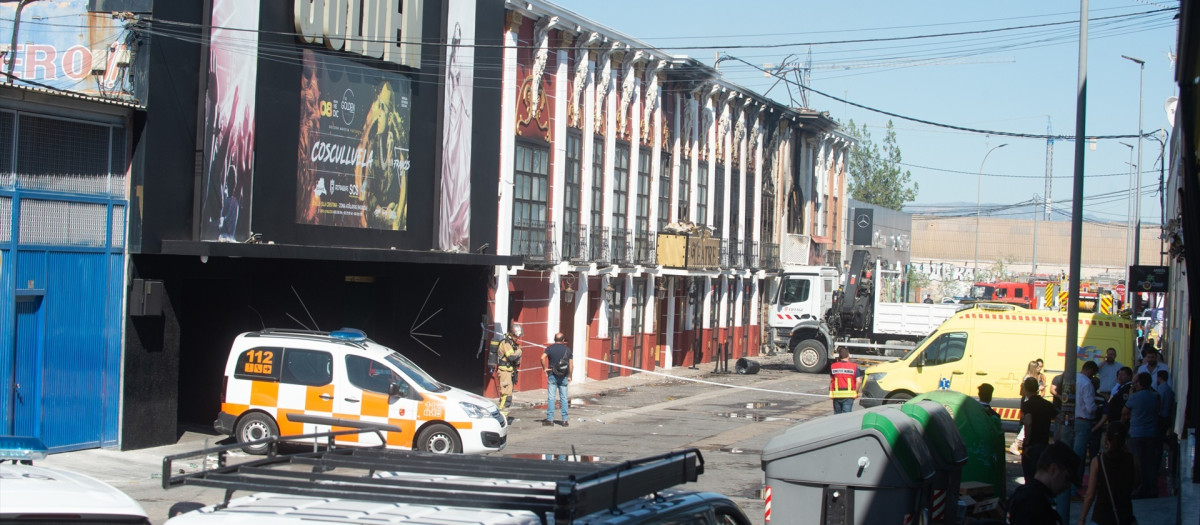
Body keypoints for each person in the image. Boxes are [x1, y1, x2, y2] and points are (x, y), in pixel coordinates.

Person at [1077, 422, 1138, 525]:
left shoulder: (1098, 461)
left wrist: (1082, 519)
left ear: (1106, 438)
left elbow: (1090, 494)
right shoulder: (1132, 459)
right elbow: (1136, 483)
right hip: (1124, 515)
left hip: (1101, 516)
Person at [1007, 442, 1081, 525]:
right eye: (1067, 478)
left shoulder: (1029, 496)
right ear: (1053, 469)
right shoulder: (1033, 502)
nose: (1067, 485)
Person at [1123, 372, 1161, 498]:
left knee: (1139, 462)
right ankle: (1152, 487)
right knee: (1150, 461)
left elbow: (1125, 411)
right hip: (1151, 432)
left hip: (1137, 433)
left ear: (1139, 383)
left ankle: (1141, 487)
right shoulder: (1155, 396)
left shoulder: (1134, 397)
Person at [1019, 376, 1059, 483]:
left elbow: (1028, 422)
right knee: (1040, 476)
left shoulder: (1027, 405)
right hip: (1044, 443)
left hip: (1032, 445)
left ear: (1026, 389)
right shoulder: (1047, 404)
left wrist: (1027, 443)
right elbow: (1059, 419)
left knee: (1029, 476)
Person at [1071, 361, 1100, 468]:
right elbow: (1090, 407)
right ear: (1090, 371)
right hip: (1084, 421)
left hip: (1072, 418)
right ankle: (1076, 481)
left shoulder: (1073, 379)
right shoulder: (1087, 384)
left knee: (1072, 449)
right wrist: (1097, 408)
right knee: (1080, 452)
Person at [1011, 360, 1043, 455]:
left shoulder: (1029, 377)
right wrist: (1038, 389)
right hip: (1028, 401)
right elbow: (1026, 391)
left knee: (1028, 424)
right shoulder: (1028, 378)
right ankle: (1016, 443)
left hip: (1028, 401)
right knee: (1026, 424)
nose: (1039, 369)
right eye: (1037, 367)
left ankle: (1017, 443)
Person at [541, 332, 573, 427]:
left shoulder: (550, 348)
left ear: (554, 339)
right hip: (563, 376)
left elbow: (542, 358)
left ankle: (550, 420)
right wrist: (570, 375)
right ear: (563, 340)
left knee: (551, 398)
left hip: (552, 375)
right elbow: (571, 365)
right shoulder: (568, 350)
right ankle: (564, 420)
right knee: (564, 398)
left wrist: (544, 368)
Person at [495, 324, 523, 422]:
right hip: (504, 372)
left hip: (509, 371)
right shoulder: (506, 343)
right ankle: (501, 417)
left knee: (508, 395)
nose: (518, 338)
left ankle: (504, 416)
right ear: (512, 334)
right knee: (505, 396)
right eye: (516, 336)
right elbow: (511, 357)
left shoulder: (511, 343)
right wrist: (519, 352)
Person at [829, 348, 863, 414]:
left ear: (839, 356)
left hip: (837, 395)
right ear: (848, 355)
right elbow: (859, 381)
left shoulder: (833, 366)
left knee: (836, 417)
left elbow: (832, 380)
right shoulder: (853, 366)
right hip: (849, 396)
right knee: (846, 418)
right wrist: (855, 392)